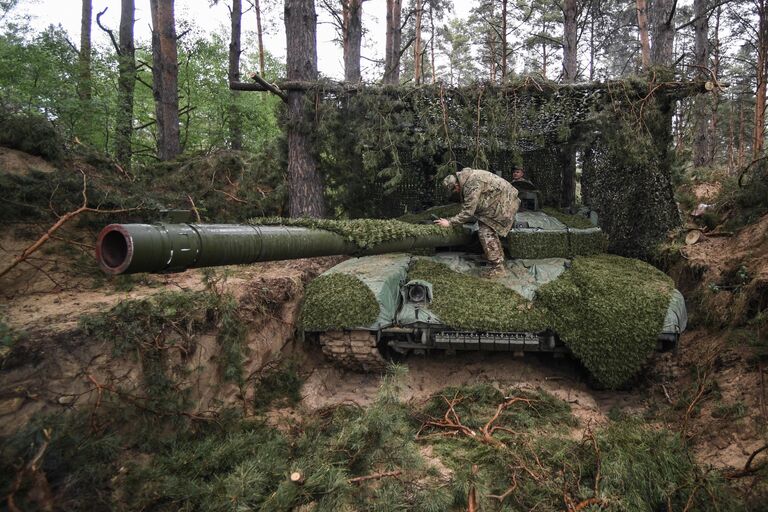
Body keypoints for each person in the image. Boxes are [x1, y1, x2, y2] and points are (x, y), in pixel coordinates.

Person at [434, 168, 520, 278]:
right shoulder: (467, 178)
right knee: (485, 227)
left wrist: (450, 222)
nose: (455, 192)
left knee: (485, 232)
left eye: (454, 190)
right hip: (498, 201)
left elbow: (468, 212)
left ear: (456, 185)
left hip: (505, 203)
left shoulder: (471, 184)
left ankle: (498, 267)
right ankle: (496, 255)